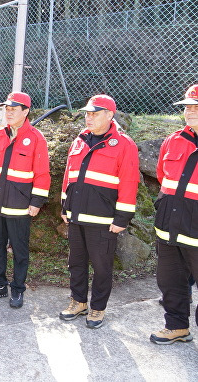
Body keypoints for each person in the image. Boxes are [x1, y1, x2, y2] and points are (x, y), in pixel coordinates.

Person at [59, 94, 139, 329]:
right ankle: (78, 301)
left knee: (102, 266)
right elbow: (69, 176)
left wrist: (122, 218)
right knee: (76, 262)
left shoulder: (124, 144)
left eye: (95, 113)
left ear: (110, 115)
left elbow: (128, 182)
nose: (89, 117)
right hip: (76, 216)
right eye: (87, 113)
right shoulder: (80, 140)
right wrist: (65, 205)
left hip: (104, 220)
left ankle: (98, 308)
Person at [0, 92, 50, 308]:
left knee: (20, 250)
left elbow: (42, 174)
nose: (9, 112)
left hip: (20, 206)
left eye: (14, 109)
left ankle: (18, 289)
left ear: (26, 111)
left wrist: (37, 201)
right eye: (7, 109)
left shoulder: (36, 138)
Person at [150, 84, 198, 345]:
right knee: (171, 281)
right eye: (187, 106)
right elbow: (162, 177)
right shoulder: (174, 139)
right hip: (169, 227)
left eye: (195, 107)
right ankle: (177, 326)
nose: (189, 111)